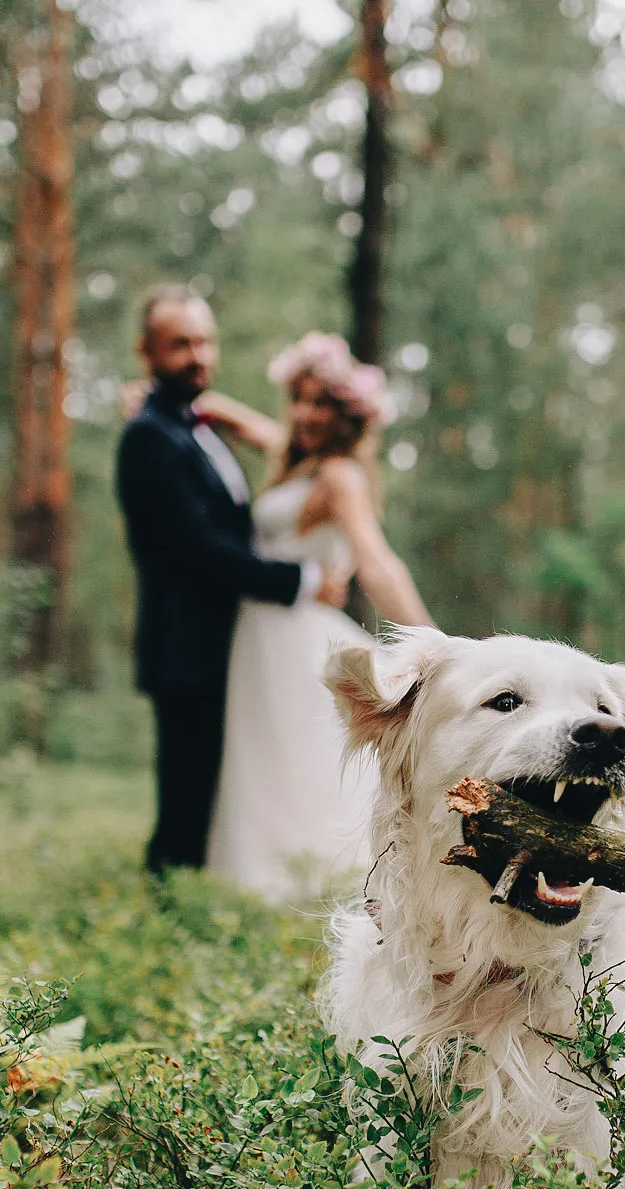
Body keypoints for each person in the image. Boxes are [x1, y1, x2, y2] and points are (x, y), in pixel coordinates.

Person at [198, 331, 434, 898]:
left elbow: (377, 563)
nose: (306, 412)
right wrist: (202, 406)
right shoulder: (296, 460)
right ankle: (262, 874)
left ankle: (323, 874)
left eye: (323, 402)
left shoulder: (339, 477)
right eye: (299, 398)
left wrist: (435, 641)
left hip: (296, 636)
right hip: (259, 634)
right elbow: (259, 430)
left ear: (349, 416)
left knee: (307, 758)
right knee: (265, 756)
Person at [115, 288, 329, 878]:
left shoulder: (196, 427)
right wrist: (303, 580)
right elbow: (198, 551)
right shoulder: (150, 437)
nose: (197, 355)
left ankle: (191, 891)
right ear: (147, 352)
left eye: (204, 341)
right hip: (187, 646)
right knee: (185, 796)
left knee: (212, 791)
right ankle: (168, 907)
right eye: (179, 344)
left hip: (225, 642)